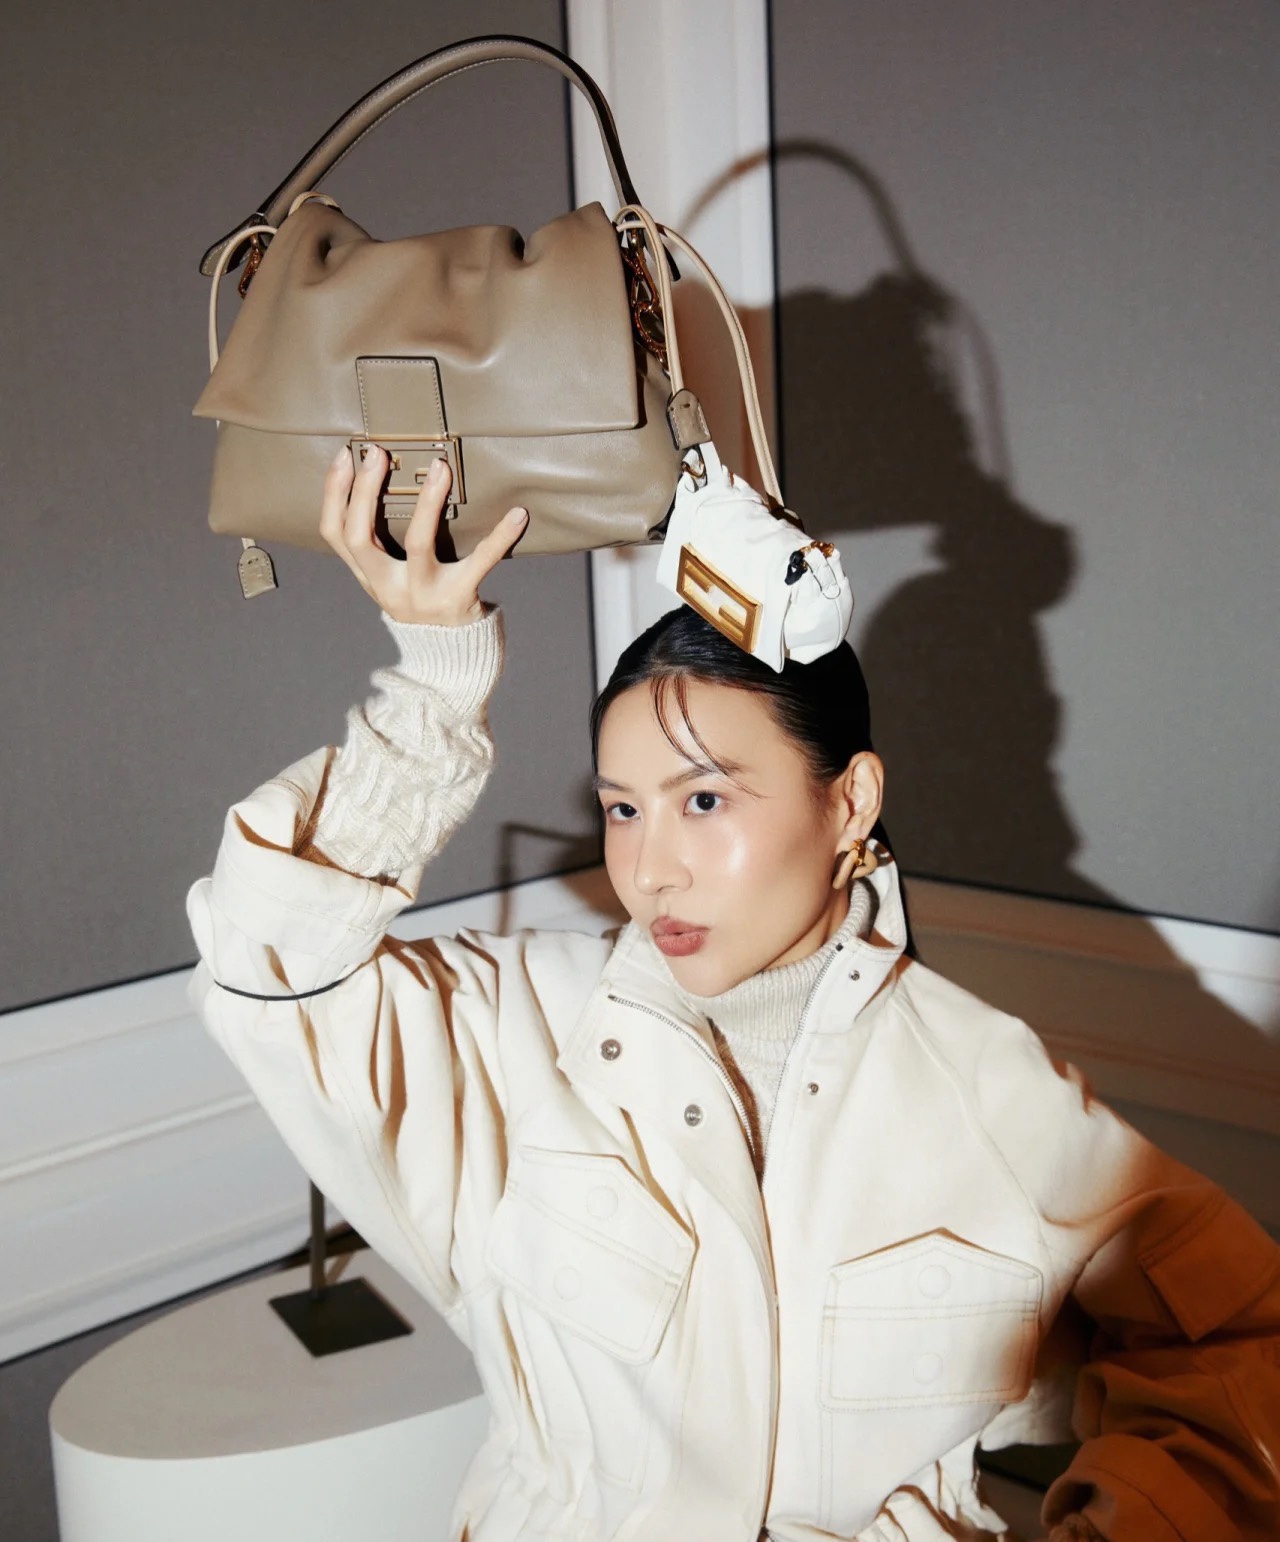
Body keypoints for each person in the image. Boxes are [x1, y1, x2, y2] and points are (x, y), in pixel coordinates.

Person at [187, 445, 1280, 1542]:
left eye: (703, 800)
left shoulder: (986, 1085)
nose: (648, 870)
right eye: (623, 809)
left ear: (849, 802)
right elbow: (265, 962)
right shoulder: (515, 1029)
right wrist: (435, 683)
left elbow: (1240, 1343)